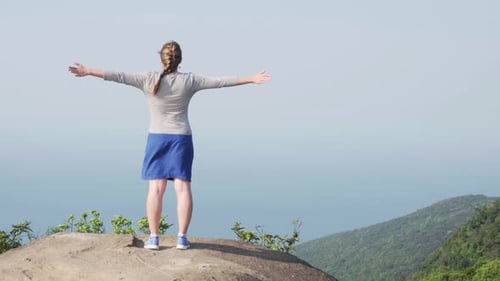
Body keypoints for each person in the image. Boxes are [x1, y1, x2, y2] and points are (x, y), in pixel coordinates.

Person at [68, 41, 271, 250]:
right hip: (181, 139)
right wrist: (251, 79)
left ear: (161, 58)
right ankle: (182, 238)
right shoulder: (190, 80)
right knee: (183, 188)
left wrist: (88, 71)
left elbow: (117, 76)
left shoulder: (147, 78)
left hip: (157, 138)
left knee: (155, 189)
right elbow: (220, 81)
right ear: (180, 60)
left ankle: (154, 238)